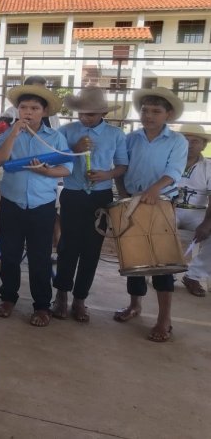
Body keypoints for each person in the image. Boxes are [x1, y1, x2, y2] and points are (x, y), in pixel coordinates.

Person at [0, 84, 72, 327]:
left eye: (34, 108)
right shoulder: (8, 133)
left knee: (40, 257)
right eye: (24, 107)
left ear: (44, 112)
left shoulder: (55, 138)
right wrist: (14, 133)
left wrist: (46, 172)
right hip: (12, 202)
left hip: (42, 206)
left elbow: (66, 169)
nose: (28, 111)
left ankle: (41, 306)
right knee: (10, 254)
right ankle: (8, 298)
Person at [114, 86, 188, 342]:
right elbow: (121, 169)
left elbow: (175, 171)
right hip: (132, 202)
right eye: (145, 110)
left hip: (161, 204)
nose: (149, 115)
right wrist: (124, 194)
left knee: (162, 264)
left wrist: (154, 190)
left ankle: (164, 319)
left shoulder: (177, 141)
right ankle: (134, 305)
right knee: (134, 260)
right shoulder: (131, 138)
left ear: (168, 114)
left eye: (156, 111)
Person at [52, 87, 128, 322]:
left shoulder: (116, 134)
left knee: (91, 249)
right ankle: (61, 295)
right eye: (82, 114)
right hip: (73, 194)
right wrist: (74, 150)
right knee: (67, 246)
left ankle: (80, 299)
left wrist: (107, 175)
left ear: (103, 113)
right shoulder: (66, 131)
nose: (85, 118)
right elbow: (56, 158)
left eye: (91, 115)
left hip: (100, 197)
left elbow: (122, 165)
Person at [174, 124, 211, 298]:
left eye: (195, 141)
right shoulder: (170, 161)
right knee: (158, 229)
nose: (189, 145)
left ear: (203, 145)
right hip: (170, 209)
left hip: (198, 213)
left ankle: (193, 275)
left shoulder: (208, 166)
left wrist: (206, 223)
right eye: (185, 140)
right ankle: (167, 272)